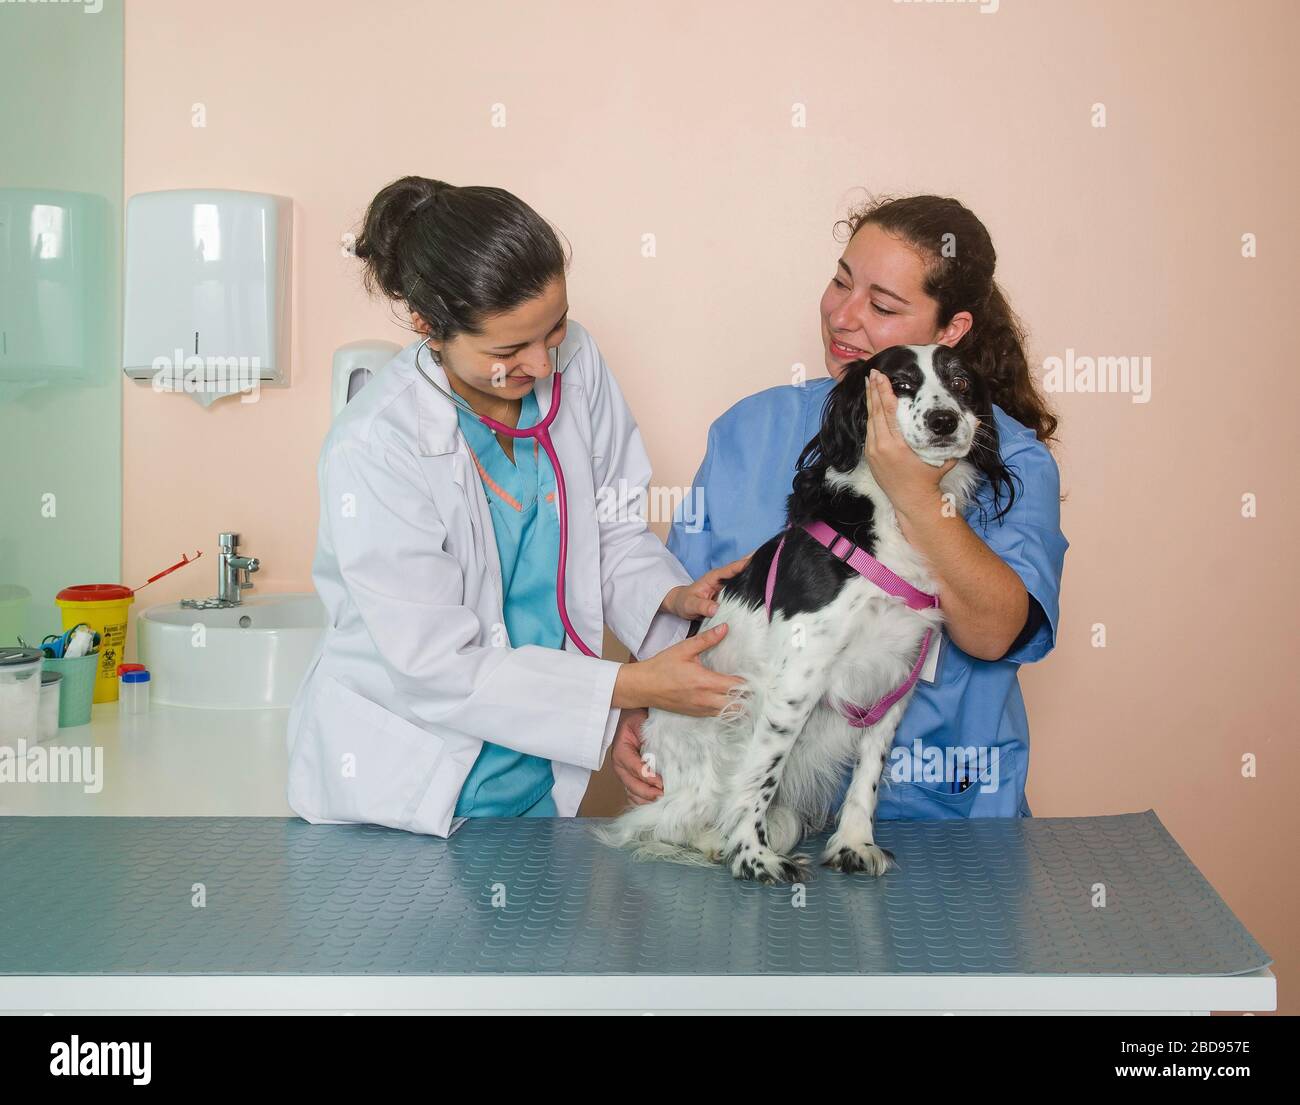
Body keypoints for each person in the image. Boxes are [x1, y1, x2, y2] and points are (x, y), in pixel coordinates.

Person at [287, 176, 745, 837]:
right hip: (403, 786)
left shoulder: (576, 362)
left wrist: (672, 599)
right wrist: (630, 688)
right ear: (428, 326)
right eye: (508, 351)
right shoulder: (374, 448)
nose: (542, 361)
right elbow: (436, 666)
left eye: (553, 329)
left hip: (536, 768)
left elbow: (612, 527)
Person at [610, 194, 1067, 820]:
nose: (843, 317)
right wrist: (642, 712)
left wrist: (912, 491)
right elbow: (690, 610)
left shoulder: (1008, 458)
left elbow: (991, 635)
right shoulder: (752, 429)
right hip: (747, 807)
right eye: (840, 282)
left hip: (936, 813)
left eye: (881, 305)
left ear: (951, 330)